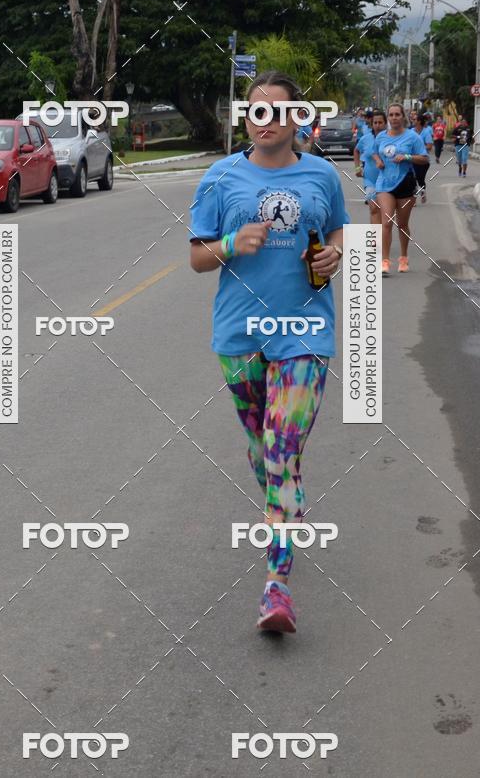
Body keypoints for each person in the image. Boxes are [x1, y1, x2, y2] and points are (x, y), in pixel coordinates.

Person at [189, 71, 349, 634]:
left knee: (281, 446)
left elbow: (335, 235)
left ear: (297, 119)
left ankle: (276, 587)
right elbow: (198, 257)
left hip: (305, 333)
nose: (267, 121)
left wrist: (331, 259)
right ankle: (286, 500)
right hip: (240, 337)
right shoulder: (220, 176)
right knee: (264, 454)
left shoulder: (322, 175)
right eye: (257, 112)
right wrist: (234, 242)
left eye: (278, 112)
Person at [371, 103, 428, 275]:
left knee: (402, 224)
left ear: (403, 117)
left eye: (397, 114)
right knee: (387, 222)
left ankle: (403, 257)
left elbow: (424, 159)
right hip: (384, 185)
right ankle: (385, 261)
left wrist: (407, 157)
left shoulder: (412, 137)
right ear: (388, 117)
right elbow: (374, 151)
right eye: (391, 115)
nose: (394, 117)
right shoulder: (381, 136)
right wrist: (378, 161)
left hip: (405, 183)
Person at [353, 109, 386, 226]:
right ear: (372, 124)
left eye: (380, 122)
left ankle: (383, 235)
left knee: (384, 212)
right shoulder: (366, 139)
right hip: (370, 180)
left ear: (385, 124)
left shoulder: (391, 139)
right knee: (373, 209)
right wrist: (357, 168)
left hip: (387, 181)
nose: (377, 125)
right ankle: (375, 239)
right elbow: (356, 151)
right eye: (375, 123)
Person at [410, 113, 433, 204]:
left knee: (420, 179)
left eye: (415, 119)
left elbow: (430, 146)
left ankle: (423, 191)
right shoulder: (411, 131)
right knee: (412, 179)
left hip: (423, 160)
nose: (413, 121)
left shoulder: (426, 132)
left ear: (419, 121)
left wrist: (419, 148)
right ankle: (413, 199)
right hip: (412, 160)